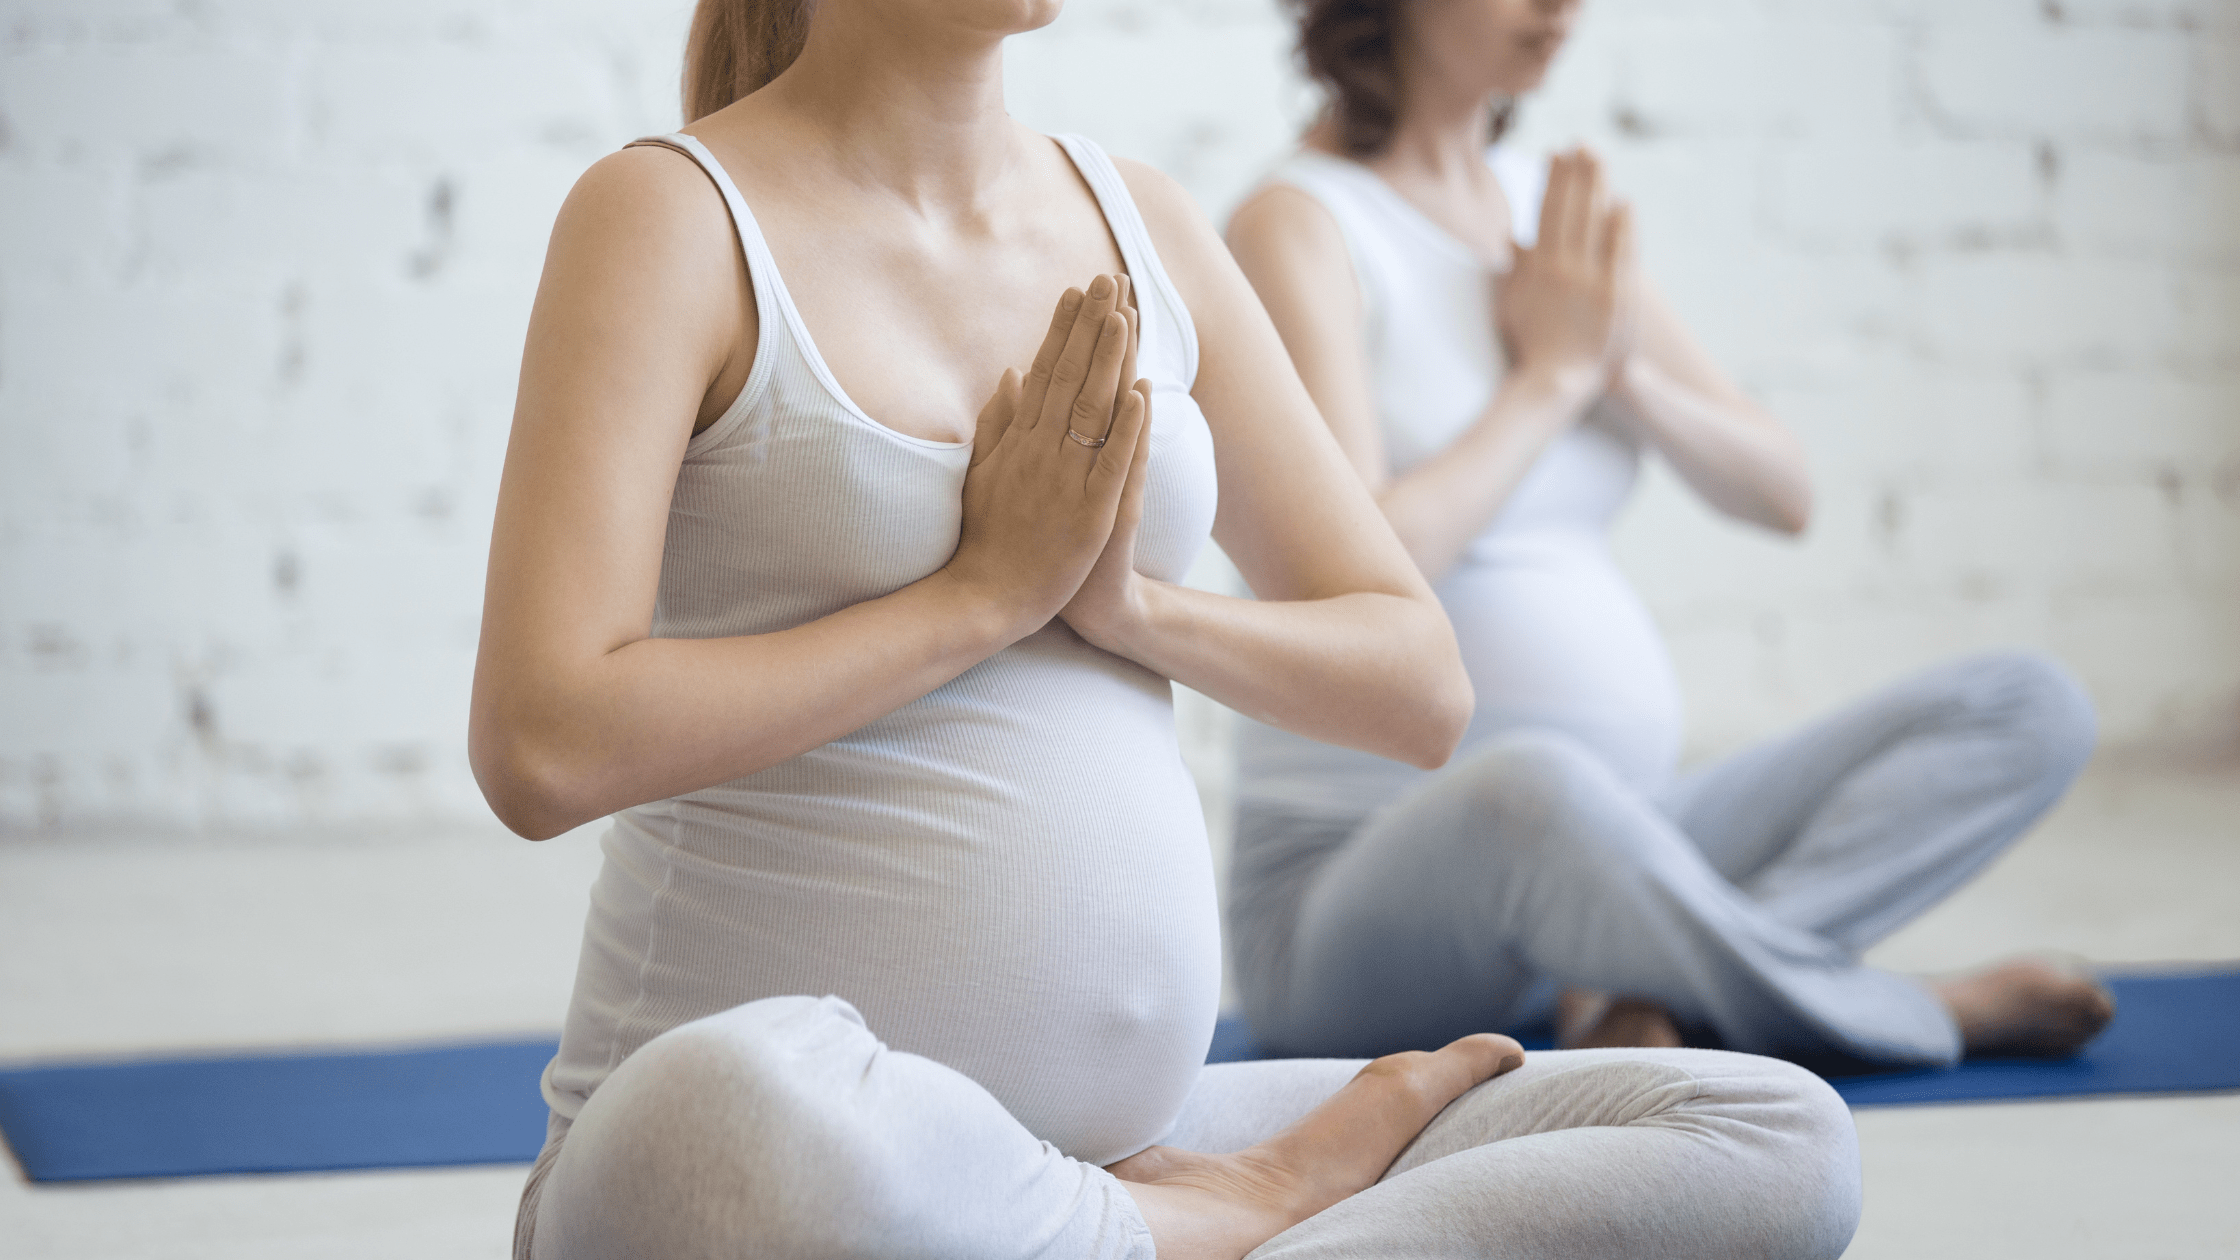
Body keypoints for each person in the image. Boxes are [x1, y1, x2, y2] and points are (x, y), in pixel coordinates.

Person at [471, 0, 1862, 1256]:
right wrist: (977, 601)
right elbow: (543, 746)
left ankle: (1159, 1231)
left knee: (1767, 1132)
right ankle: (1230, 1214)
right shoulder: (668, 215)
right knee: (740, 1119)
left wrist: (1129, 610)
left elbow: (1415, 682)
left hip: (1133, 1138)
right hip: (782, 1166)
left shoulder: (1143, 220)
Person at [1222, 0, 2114, 1067]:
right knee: (1536, 785)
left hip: (1617, 846)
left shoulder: (1547, 217)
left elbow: (1779, 490)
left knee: (2025, 705)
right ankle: (1911, 1014)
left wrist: (1617, 369)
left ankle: (1660, 991)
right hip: (1353, 888)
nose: (1559, 7)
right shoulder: (1299, 223)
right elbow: (1358, 580)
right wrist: (1548, 380)